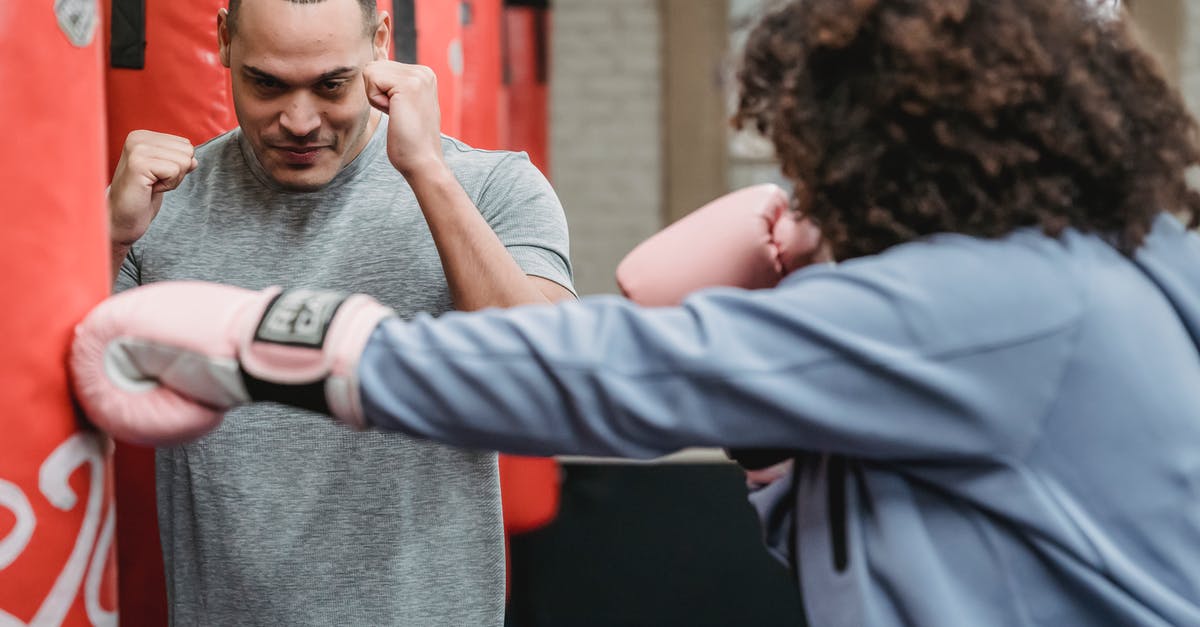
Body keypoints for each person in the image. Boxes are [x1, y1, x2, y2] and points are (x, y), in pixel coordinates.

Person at [77, 0, 1200, 624]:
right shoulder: (1116, 261)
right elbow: (867, 524)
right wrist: (772, 456)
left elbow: (605, 373)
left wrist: (266, 342)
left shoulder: (996, 305)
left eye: (825, 160)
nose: (812, 191)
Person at [104, 0, 575, 623]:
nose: (299, 121)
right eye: (266, 83)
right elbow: (49, 404)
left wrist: (427, 171)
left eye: (331, 85)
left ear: (382, 42)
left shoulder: (492, 188)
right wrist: (109, 237)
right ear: (221, 40)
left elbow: (543, 381)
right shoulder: (165, 206)